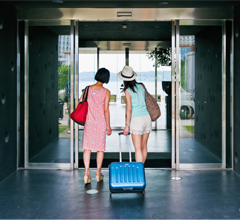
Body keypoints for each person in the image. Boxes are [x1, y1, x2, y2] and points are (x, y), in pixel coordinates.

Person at [79, 68, 112, 184]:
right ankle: (98, 172)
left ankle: (86, 172)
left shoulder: (87, 89)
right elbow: (106, 110)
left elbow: (80, 102)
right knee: (100, 148)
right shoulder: (106, 92)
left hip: (89, 122)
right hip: (101, 122)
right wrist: (108, 126)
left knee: (87, 147)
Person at [118, 65, 152, 164]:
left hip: (137, 120)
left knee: (137, 148)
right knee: (144, 146)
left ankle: (138, 172)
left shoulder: (127, 90)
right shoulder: (141, 86)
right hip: (147, 117)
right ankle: (141, 169)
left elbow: (129, 109)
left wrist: (126, 126)